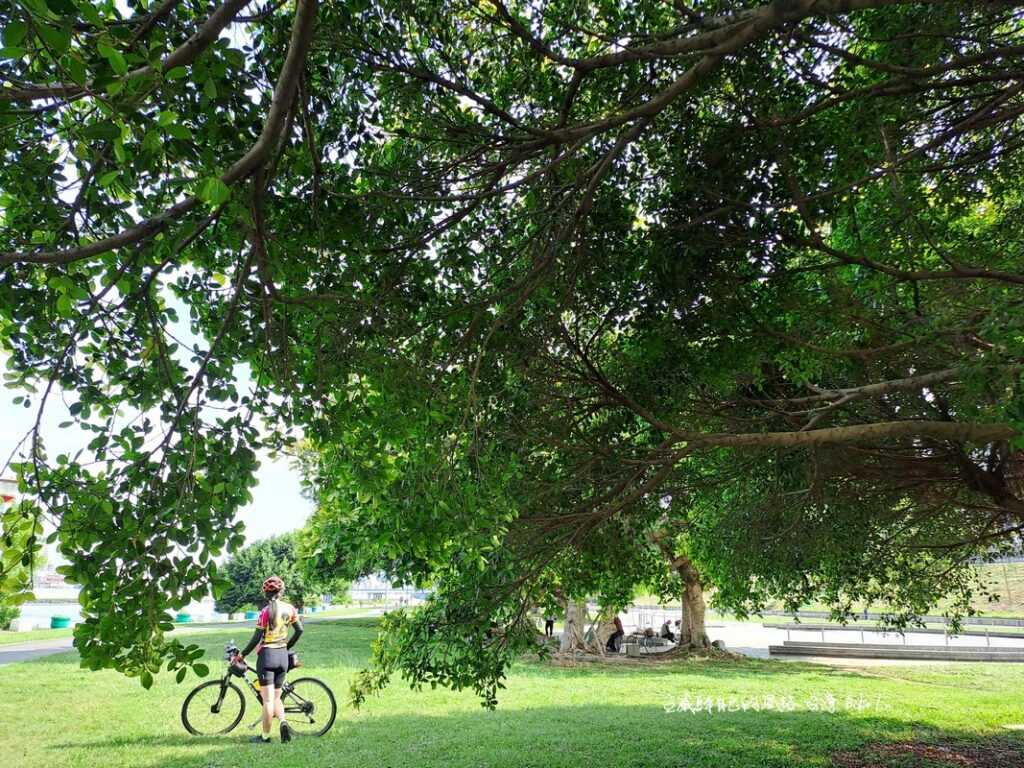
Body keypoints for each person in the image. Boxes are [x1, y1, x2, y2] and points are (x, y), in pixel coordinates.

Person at [237, 575, 304, 744]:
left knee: (267, 701)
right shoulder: (290, 609)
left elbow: (255, 638)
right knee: (276, 698)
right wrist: (287, 647)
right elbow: (299, 630)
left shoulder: (265, 612)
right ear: (281, 592)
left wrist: (242, 654)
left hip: (267, 657)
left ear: (265, 594)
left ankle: (265, 737)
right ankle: (283, 722)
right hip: (282, 657)